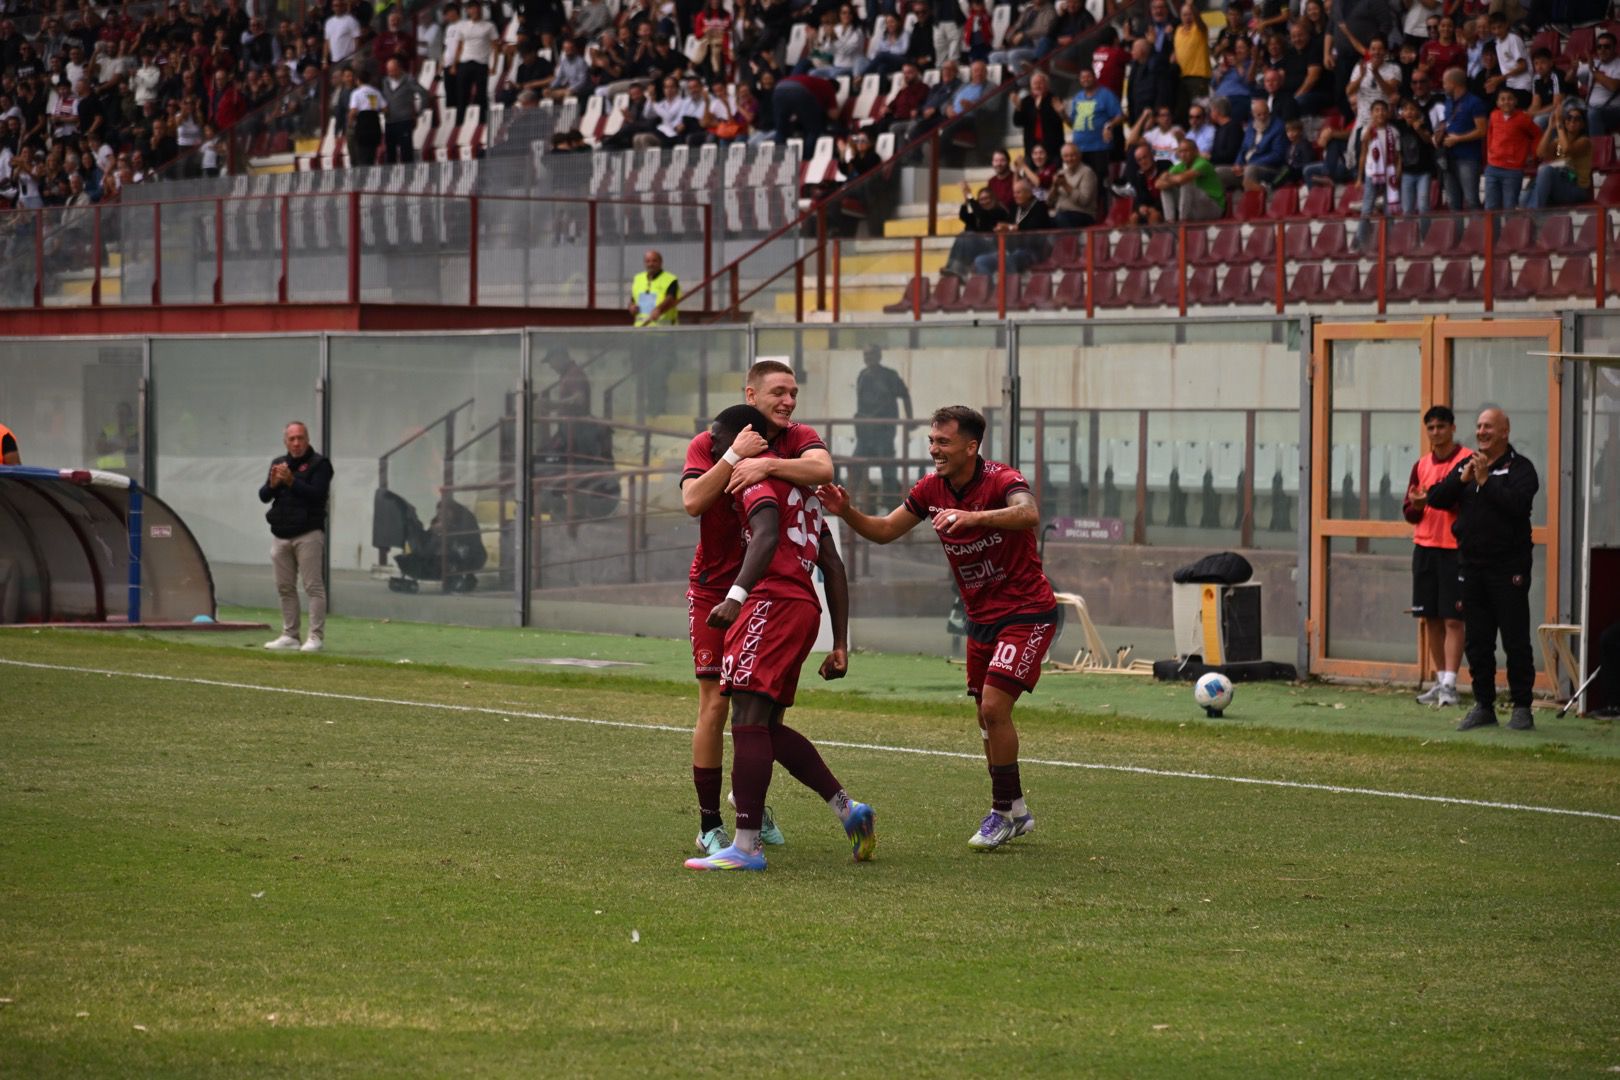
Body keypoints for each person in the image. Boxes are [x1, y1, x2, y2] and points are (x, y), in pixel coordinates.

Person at [817, 405, 1058, 851]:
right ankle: (1016, 811)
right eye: (931, 441)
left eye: (943, 442)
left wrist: (975, 518)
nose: (934, 450)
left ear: (971, 446)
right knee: (985, 719)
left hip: (1027, 611)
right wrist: (847, 512)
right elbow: (887, 529)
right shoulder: (931, 489)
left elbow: (1028, 515)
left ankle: (1001, 811)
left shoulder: (1003, 480)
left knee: (993, 707)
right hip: (981, 619)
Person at [683, 403, 875, 872]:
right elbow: (834, 567)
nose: (714, 449)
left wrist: (736, 594)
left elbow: (765, 534)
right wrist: (840, 642)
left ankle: (745, 844)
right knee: (766, 727)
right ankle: (848, 810)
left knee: (746, 718)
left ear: (743, 441)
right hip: (803, 607)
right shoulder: (803, 488)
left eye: (720, 442)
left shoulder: (756, 478)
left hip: (770, 600)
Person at [1425, 407, 1539, 732]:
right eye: (1478, 426)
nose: (1481, 432)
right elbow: (1436, 498)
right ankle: (1484, 705)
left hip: (1508, 569)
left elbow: (1518, 506)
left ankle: (1521, 707)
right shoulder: (1466, 465)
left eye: (1488, 427)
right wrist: (1462, 479)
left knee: (1515, 639)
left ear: (1505, 431)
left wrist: (1486, 482)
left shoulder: (1521, 469)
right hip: (1471, 568)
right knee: (1477, 642)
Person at [1403, 405, 1469, 708]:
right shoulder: (1421, 465)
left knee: (1454, 618)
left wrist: (1433, 497)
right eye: (1430, 428)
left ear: (1452, 429)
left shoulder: (1466, 460)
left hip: (1455, 549)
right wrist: (1417, 505)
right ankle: (1440, 679)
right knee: (1430, 616)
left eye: (1441, 427)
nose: (1435, 433)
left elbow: (1466, 503)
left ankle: (1452, 685)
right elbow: (1409, 512)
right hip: (1425, 548)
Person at [258, 421, 333, 654]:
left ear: (307, 439)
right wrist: (272, 485)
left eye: (300, 438)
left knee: (313, 587)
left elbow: (318, 494)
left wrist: (292, 482)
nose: (297, 443)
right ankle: (290, 634)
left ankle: (315, 637)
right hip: (281, 535)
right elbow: (263, 496)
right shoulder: (278, 463)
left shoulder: (320, 464)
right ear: (286, 441)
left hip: (308, 533)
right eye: (292, 439)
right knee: (285, 587)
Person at [852, 345, 913, 507]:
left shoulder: (889, 376)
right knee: (856, 466)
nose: (868, 357)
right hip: (865, 432)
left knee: (887, 469)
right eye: (866, 354)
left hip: (884, 432)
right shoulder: (862, 376)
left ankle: (891, 504)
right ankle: (850, 504)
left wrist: (910, 419)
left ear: (879, 356)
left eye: (871, 354)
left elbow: (905, 395)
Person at [1437, 66, 1488, 212]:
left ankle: (1479, 233)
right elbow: (1448, 123)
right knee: (1453, 203)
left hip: (1468, 158)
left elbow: (1482, 130)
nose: (1443, 86)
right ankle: (1456, 234)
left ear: (1454, 83)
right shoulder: (1448, 102)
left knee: (1471, 200)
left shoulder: (1474, 102)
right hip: (1449, 157)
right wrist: (1440, 133)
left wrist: (1459, 139)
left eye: (1445, 83)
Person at [1526, 101, 1592, 209]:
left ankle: (1533, 214)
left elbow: (1567, 150)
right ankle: (1530, 219)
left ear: (1583, 124)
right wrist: (1549, 128)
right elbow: (1541, 153)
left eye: (1577, 119)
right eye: (1569, 118)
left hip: (1577, 188)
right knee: (1524, 197)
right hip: (1560, 184)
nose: (1572, 121)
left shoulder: (1585, 141)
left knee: (1546, 170)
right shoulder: (1559, 142)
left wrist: (1559, 124)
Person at [1482, 86, 1539, 211]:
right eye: (1502, 99)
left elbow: (1537, 135)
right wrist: (1490, 152)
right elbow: (1490, 135)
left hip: (1513, 170)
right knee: (1490, 208)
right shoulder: (1493, 115)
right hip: (1493, 167)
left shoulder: (1524, 119)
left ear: (1515, 101)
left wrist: (1533, 154)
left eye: (1510, 99)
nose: (1506, 102)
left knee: (1509, 207)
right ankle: (1493, 231)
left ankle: (1511, 231)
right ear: (1497, 102)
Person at [1158, 137, 1225, 222]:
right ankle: (1170, 222)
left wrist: (1168, 178)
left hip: (1213, 208)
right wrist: (1168, 180)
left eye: (1186, 151)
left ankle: (1183, 224)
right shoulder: (1180, 166)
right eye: (1181, 152)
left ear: (1196, 151)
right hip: (1195, 208)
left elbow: (1182, 179)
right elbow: (1158, 184)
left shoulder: (1202, 163)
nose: (1183, 155)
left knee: (1186, 184)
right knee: (1165, 189)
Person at [629, 249, 679, 326]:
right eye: (647, 261)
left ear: (661, 262)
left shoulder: (670, 279)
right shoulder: (638, 278)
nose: (651, 264)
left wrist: (658, 309)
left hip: (663, 330)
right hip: (641, 329)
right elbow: (633, 299)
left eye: (654, 261)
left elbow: (671, 298)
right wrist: (631, 306)